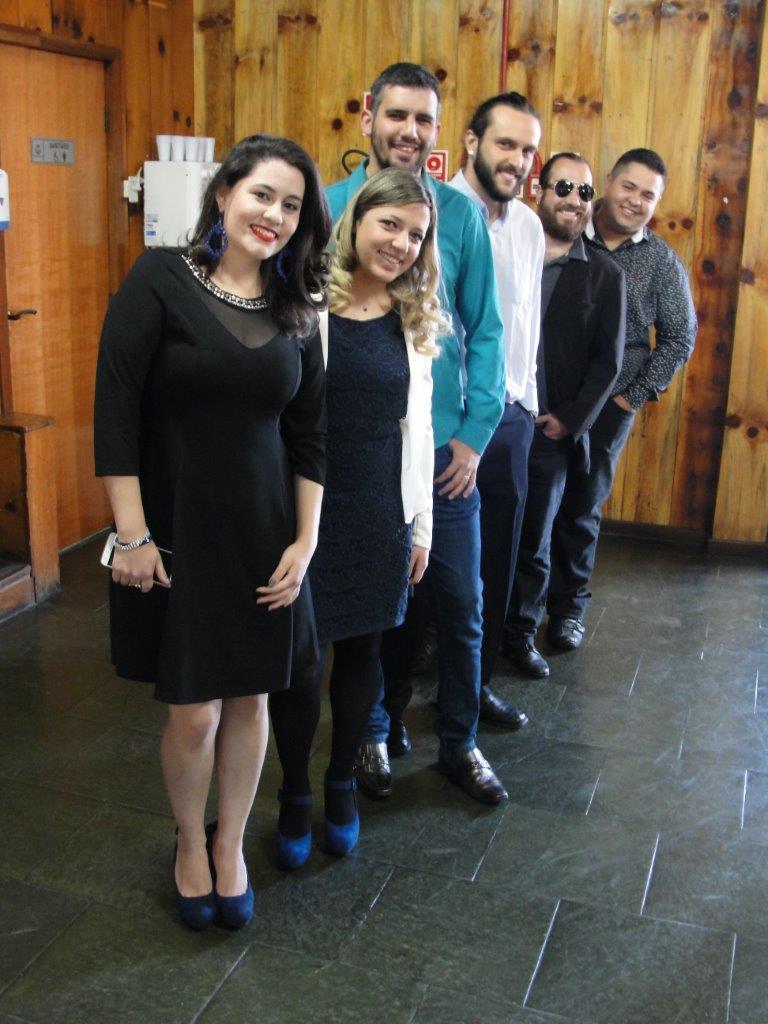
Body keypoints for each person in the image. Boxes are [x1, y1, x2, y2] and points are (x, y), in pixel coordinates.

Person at [93, 134, 331, 929]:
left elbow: (311, 437)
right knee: (194, 711)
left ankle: (230, 844)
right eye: (262, 194)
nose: (274, 215)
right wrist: (131, 535)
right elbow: (115, 409)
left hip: (266, 536)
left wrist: (305, 543)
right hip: (178, 533)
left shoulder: (297, 308)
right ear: (226, 192)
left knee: (251, 701)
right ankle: (189, 842)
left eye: (291, 205)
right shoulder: (161, 277)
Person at [330, 62, 509, 806]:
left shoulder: (458, 216)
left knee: (460, 603)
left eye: (424, 119)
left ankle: (460, 743)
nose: (410, 131)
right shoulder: (330, 205)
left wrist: (475, 434)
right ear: (368, 115)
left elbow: (487, 331)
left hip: (443, 452)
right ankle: (370, 731)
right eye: (397, 114)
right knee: (371, 611)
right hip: (358, 454)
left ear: (440, 131)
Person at [269, 167, 449, 868]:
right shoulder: (305, 300)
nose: (401, 243)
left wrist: (421, 527)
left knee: (362, 659)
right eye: (390, 224)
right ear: (358, 222)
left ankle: (341, 784)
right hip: (303, 508)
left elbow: (420, 429)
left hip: (381, 509)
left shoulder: (414, 315)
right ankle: (294, 794)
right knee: (300, 664)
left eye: (416, 234)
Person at [541, 147, 697, 664]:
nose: (635, 201)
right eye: (629, 187)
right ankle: (517, 606)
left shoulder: (660, 262)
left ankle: (567, 608)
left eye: (648, 195)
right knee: (531, 501)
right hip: (547, 391)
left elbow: (679, 337)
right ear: (609, 181)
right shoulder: (563, 228)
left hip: (610, 403)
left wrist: (633, 397)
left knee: (582, 505)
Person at [504, 153, 626, 676]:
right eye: (564, 188)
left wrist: (570, 420)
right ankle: (454, 635)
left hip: (549, 433)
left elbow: (608, 363)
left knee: (535, 540)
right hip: (495, 423)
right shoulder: (510, 255)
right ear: (539, 190)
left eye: (585, 192)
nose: (575, 200)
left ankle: (519, 634)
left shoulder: (605, 275)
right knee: (480, 535)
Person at [449, 91, 544, 727]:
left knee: (496, 566)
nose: (518, 159)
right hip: (444, 421)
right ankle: (389, 712)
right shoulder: (435, 212)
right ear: (471, 142)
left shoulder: (530, 226)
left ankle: (474, 692)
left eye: (528, 149)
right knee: (424, 568)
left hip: (508, 421)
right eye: (505, 143)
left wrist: (527, 405)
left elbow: (523, 324)